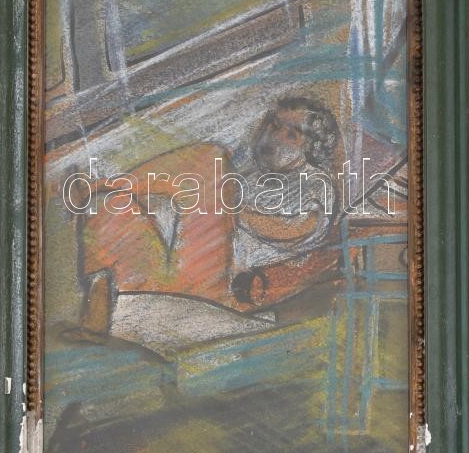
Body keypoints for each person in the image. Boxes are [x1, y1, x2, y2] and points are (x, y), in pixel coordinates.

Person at [75, 96, 345, 339]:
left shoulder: (315, 183)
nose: (276, 136)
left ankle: (101, 184)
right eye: (275, 126)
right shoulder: (251, 178)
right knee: (118, 204)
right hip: (175, 275)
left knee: (210, 159)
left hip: (221, 289)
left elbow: (295, 229)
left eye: (292, 134)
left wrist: (223, 205)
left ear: (311, 147)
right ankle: (98, 307)